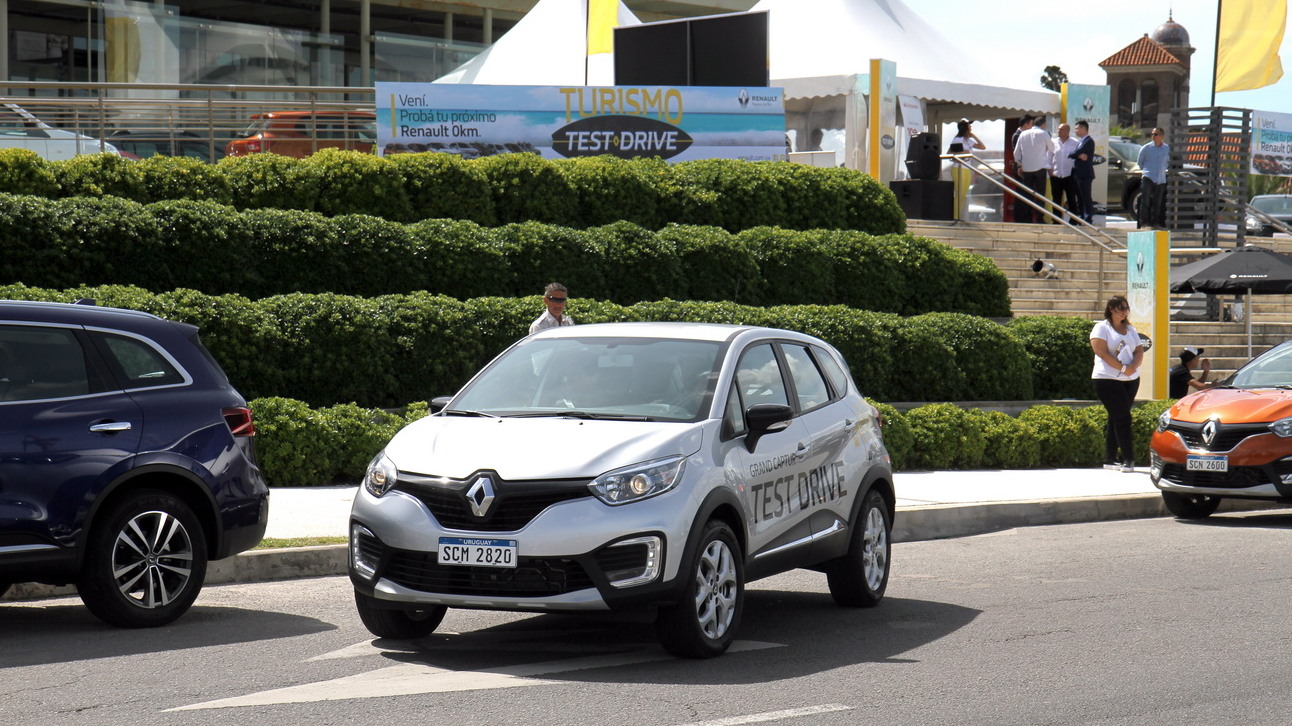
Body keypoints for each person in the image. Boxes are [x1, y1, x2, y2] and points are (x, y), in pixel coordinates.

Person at [1090, 295, 1143, 472]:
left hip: (1130, 379)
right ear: (1111, 309)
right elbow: (1101, 352)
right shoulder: (1101, 328)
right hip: (1107, 379)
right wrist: (1122, 368)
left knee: (1117, 416)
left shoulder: (1130, 329)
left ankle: (1110, 458)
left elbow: (1139, 350)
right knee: (1123, 417)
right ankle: (1128, 458)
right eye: (1121, 308)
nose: (1124, 311)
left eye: (1126, 308)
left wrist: (1132, 368)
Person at [1013, 115, 1054, 224]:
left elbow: (1016, 153)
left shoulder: (1023, 134)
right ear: (1043, 125)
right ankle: (1040, 218)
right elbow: (1052, 148)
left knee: (1028, 194)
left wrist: (1019, 165)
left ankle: (1028, 218)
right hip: (1040, 168)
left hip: (1027, 169)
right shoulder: (1044, 133)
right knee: (1040, 195)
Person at [1137, 128, 1170, 228]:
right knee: (1145, 201)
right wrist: (1147, 170)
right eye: (1152, 134)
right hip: (1148, 176)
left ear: (1162, 136)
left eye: (1156, 134)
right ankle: (1144, 223)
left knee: (1157, 202)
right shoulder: (1146, 148)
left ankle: (1155, 223)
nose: (1153, 136)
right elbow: (1140, 162)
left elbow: (1168, 162)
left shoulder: (1167, 148)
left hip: (1161, 178)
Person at [1049, 123, 1080, 223]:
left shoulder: (1075, 143)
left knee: (1071, 198)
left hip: (1069, 174)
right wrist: (1050, 171)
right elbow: (1049, 157)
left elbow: (1078, 158)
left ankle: (1074, 220)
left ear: (1067, 131)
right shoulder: (1053, 142)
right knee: (1056, 198)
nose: (1058, 131)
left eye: (1060, 129)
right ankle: (1056, 220)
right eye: (1058, 130)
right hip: (1056, 174)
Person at [1069, 120, 1096, 224]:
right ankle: (1082, 217)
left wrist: (1076, 154)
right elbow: (1074, 153)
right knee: (1080, 197)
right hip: (1078, 174)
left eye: (1077, 128)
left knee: (1086, 197)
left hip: (1085, 174)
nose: (1076, 131)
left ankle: (1088, 217)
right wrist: (1077, 155)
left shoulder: (1088, 141)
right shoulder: (1080, 141)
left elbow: (1075, 153)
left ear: (1084, 129)